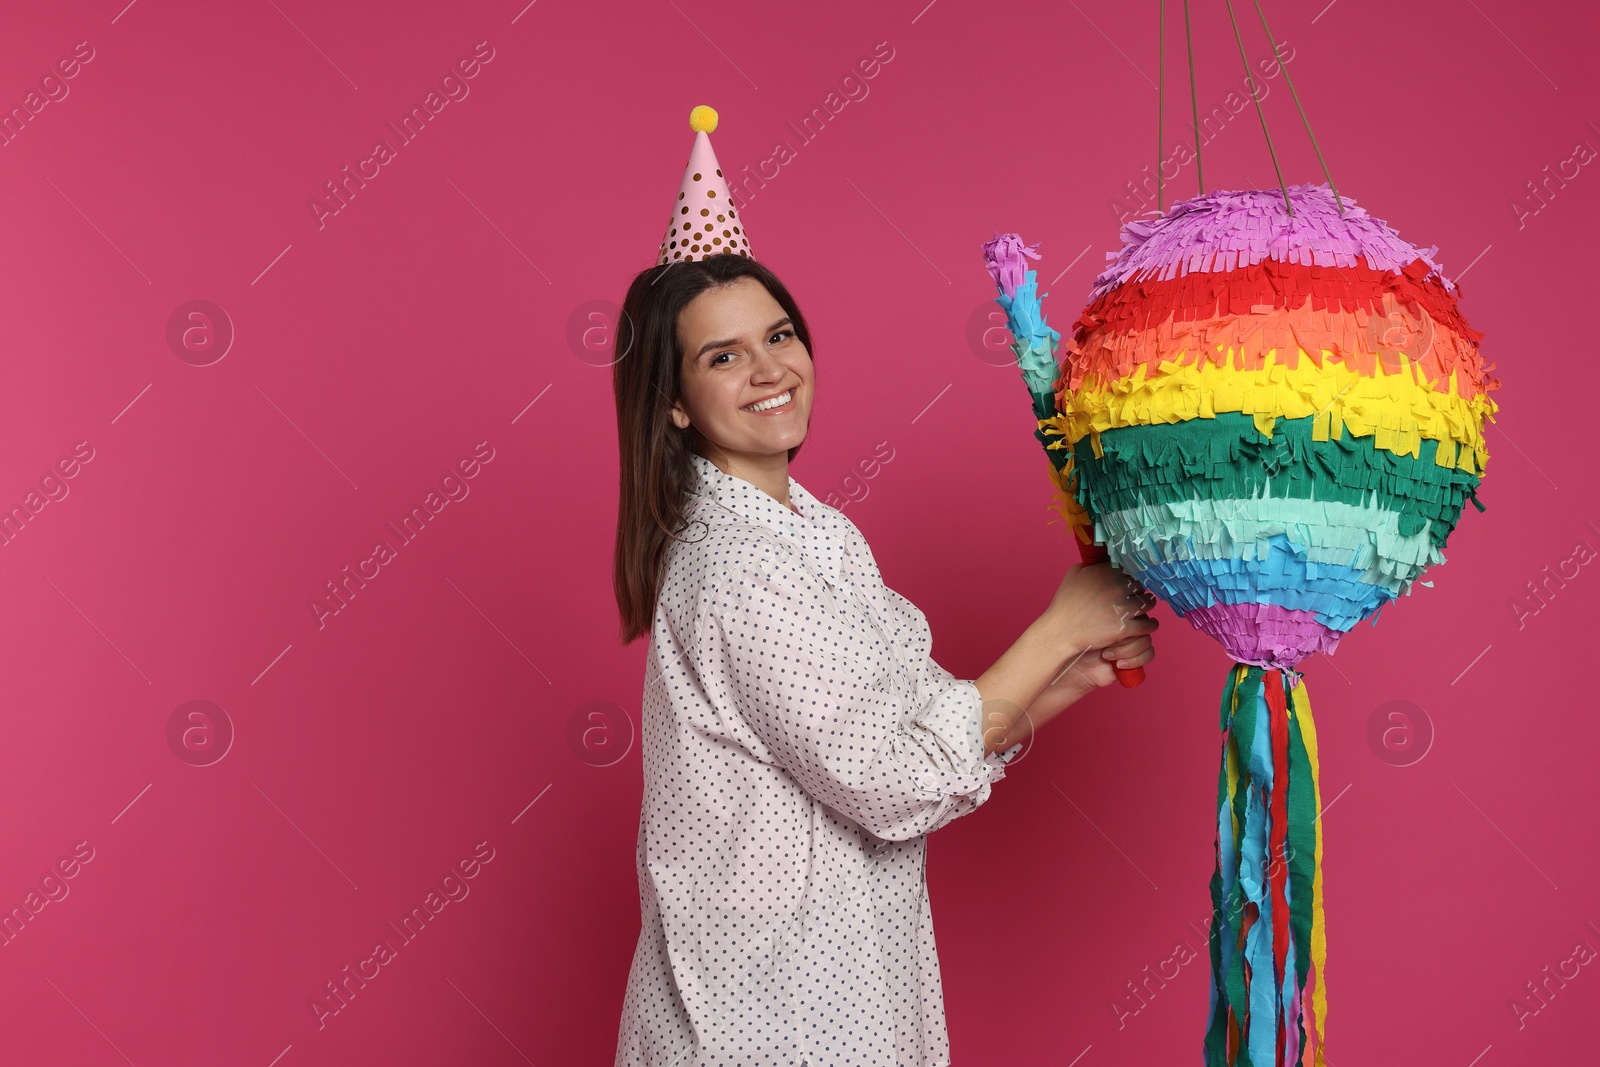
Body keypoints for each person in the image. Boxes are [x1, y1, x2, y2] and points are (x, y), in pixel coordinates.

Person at [611, 110, 1156, 1067]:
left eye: (779, 335)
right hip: (764, 1023)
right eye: (723, 355)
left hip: (839, 999)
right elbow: (898, 780)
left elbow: (910, 729)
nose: (771, 368)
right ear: (673, 402)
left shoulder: (813, 532)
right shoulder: (740, 570)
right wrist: (1054, 625)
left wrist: (1069, 672)